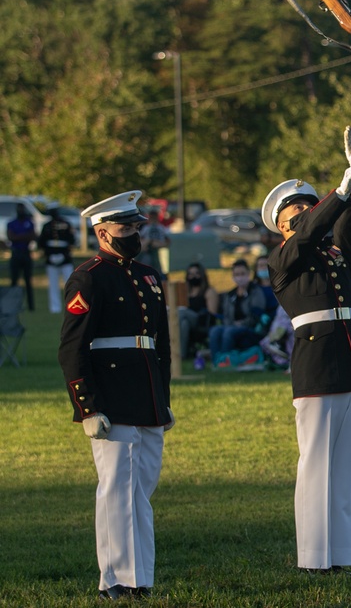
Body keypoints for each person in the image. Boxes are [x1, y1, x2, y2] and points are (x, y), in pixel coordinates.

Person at [262, 125, 351, 573]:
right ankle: (312, 557)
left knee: (341, 468)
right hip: (317, 364)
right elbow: (311, 231)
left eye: (312, 206)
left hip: (350, 361)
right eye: (300, 213)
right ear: (283, 226)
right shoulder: (284, 257)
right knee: (316, 466)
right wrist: (340, 189)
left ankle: (339, 555)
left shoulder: (334, 254)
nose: (310, 216)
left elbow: (350, 225)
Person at [56, 190, 174, 600]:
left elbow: (161, 345)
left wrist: (165, 398)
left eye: (137, 226)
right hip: (112, 396)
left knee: (140, 492)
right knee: (117, 490)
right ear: (103, 233)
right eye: (126, 228)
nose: (135, 233)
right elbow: (71, 349)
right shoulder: (89, 276)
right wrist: (87, 406)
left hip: (147, 396)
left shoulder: (147, 275)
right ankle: (118, 580)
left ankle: (140, 577)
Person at [39, 203, 76, 313]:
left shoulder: (66, 224)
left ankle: (71, 305)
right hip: (51, 257)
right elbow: (42, 242)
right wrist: (48, 254)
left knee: (69, 283)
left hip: (65, 257)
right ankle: (55, 307)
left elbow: (71, 240)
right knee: (53, 284)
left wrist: (65, 254)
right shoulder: (47, 226)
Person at [178, 262, 219, 359]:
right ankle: (181, 355)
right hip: (186, 320)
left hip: (201, 321)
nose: (194, 276)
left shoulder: (209, 291)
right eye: (191, 274)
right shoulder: (186, 292)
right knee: (184, 323)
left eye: (197, 273)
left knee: (180, 312)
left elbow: (212, 314)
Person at [7, 203, 37, 311]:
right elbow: (11, 237)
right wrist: (25, 236)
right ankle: (13, 305)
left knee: (28, 280)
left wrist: (19, 236)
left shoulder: (29, 222)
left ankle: (31, 306)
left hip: (26, 253)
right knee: (14, 281)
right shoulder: (11, 223)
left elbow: (33, 236)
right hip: (16, 253)